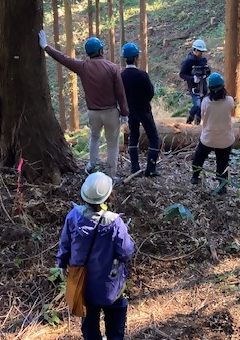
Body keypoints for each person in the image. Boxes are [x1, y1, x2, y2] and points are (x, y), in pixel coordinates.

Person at [39, 30, 129, 181]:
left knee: (94, 138)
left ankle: (93, 168)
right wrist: (125, 112)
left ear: (89, 53)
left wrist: (46, 47)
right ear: (100, 51)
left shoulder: (82, 66)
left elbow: (63, 58)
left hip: (93, 113)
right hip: (111, 112)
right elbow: (120, 93)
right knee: (112, 144)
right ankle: (111, 176)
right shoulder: (112, 68)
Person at [57, 172, 134, 340]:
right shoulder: (115, 223)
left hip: (82, 282)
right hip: (109, 285)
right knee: (115, 321)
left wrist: (62, 264)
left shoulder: (73, 216)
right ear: (108, 196)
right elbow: (126, 252)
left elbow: (64, 246)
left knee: (89, 324)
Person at [120, 43, 161, 177]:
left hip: (130, 111)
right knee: (154, 137)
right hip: (144, 110)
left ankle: (135, 167)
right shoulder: (142, 75)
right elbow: (150, 93)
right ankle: (151, 168)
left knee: (133, 137)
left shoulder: (121, 76)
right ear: (136, 58)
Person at [190, 73, 234, 193]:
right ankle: (222, 185)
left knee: (199, 157)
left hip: (209, 137)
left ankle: (194, 176)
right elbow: (232, 111)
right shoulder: (229, 100)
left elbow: (203, 115)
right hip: (225, 138)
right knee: (223, 162)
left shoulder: (206, 101)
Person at [179, 39, 210, 124]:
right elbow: (182, 74)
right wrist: (193, 78)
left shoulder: (203, 60)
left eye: (202, 52)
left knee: (203, 105)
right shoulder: (188, 61)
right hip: (193, 87)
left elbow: (208, 71)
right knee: (197, 105)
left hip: (203, 85)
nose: (201, 54)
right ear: (195, 50)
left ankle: (197, 123)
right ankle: (190, 118)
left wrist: (205, 75)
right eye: (200, 51)